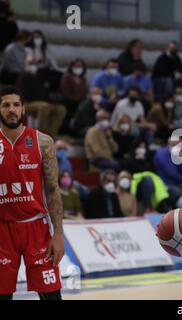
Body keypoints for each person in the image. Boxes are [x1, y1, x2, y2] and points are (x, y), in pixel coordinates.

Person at [0, 86, 64, 300]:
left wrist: (59, 233)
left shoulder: (42, 142)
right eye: (6, 105)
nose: (11, 110)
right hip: (2, 231)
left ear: (24, 109)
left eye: (16, 105)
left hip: (36, 229)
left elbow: (53, 190)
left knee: (52, 296)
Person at [152, 41, 182, 109]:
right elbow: (160, 72)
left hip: (171, 80)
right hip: (160, 81)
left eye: (175, 48)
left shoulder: (176, 58)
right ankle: (168, 103)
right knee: (168, 81)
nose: (174, 50)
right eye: (172, 48)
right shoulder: (162, 58)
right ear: (168, 48)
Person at [59, 58, 88, 134]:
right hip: (68, 101)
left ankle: (80, 129)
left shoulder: (83, 79)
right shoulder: (67, 77)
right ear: (72, 66)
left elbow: (84, 92)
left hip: (80, 101)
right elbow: (65, 92)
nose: (78, 68)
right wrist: (76, 100)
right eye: (76, 66)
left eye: (80, 66)